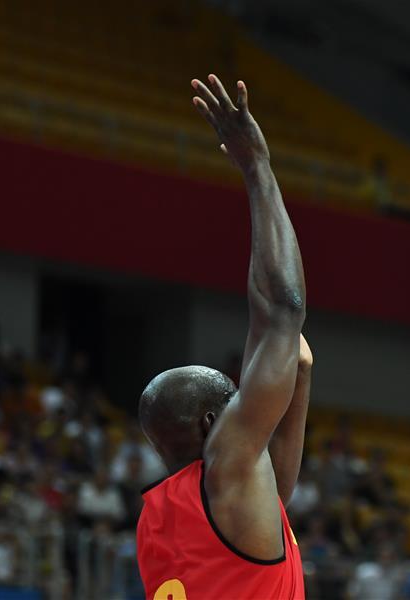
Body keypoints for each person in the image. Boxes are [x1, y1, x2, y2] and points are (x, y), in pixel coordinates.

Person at [135, 74, 312, 600]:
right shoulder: (228, 469)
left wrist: (296, 375)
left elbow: (274, 493)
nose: (251, 402)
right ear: (214, 423)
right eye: (239, 399)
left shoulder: (157, 521)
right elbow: (283, 309)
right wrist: (257, 166)